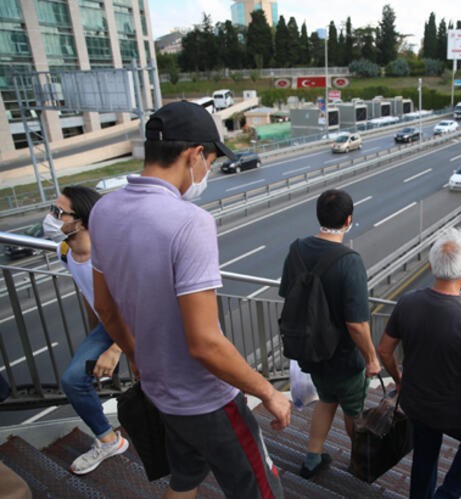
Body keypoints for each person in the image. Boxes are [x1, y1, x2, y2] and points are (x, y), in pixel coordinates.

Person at [90, 101, 290, 498]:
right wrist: (267, 391)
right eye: (211, 161)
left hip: (161, 393)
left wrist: (136, 356)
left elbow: (106, 307)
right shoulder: (190, 222)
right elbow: (205, 343)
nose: (207, 172)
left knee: (184, 479)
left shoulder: (103, 209)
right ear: (194, 155)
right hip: (208, 400)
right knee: (263, 490)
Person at [378, 227, 461, 498]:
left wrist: (400, 381)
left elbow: (385, 351)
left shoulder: (408, 302)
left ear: (432, 265)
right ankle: (446, 494)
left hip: (416, 404)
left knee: (425, 454)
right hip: (454, 413)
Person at [279, 189, 380, 479]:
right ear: (348, 220)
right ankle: (361, 463)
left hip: (311, 351)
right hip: (344, 357)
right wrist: (371, 358)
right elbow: (357, 324)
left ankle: (312, 458)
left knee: (326, 399)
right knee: (354, 410)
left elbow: (288, 294)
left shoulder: (296, 249)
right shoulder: (350, 261)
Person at [44, 186, 130, 475]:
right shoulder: (65, 251)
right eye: (51, 209)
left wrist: (115, 349)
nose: (51, 217)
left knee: (161, 383)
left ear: (81, 220)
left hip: (141, 323)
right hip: (109, 325)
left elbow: (138, 304)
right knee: (72, 380)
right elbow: (86, 292)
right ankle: (108, 440)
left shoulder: (110, 256)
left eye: (58, 213)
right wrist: (97, 334)